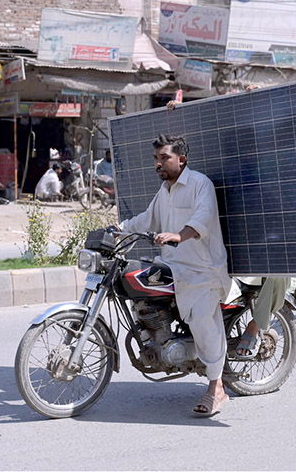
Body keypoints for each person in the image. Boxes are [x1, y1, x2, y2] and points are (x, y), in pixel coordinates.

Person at [119, 134, 232, 416]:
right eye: (156, 159)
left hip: (202, 269)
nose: (158, 164)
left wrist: (179, 236)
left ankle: (216, 388)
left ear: (181, 159)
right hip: (173, 266)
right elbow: (146, 219)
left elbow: (202, 218)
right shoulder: (165, 191)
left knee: (204, 322)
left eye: (164, 158)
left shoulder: (199, 184)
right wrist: (117, 229)